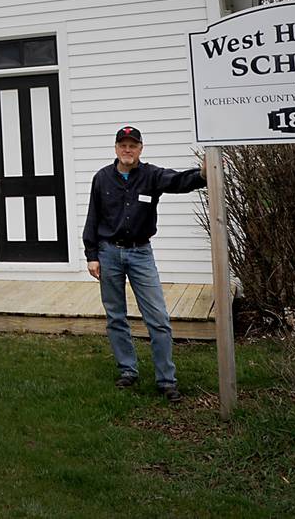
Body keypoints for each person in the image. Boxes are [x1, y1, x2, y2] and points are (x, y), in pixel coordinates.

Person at [82, 125, 206, 404]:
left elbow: (177, 181)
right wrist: (92, 254)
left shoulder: (151, 176)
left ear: (140, 148)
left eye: (133, 145)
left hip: (141, 254)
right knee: (116, 316)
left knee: (158, 319)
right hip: (109, 253)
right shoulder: (101, 178)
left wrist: (201, 175)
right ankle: (128, 370)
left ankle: (166, 380)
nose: (128, 149)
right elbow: (93, 217)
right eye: (123, 145)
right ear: (116, 148)